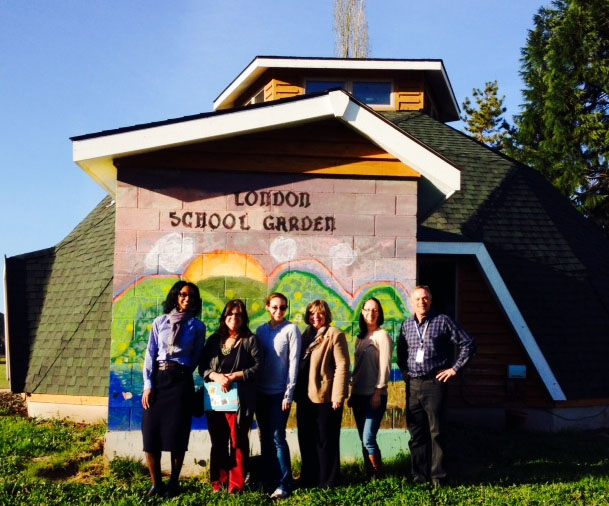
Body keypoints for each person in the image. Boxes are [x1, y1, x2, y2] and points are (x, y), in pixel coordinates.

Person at [396, 285, 476, 487]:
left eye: (425, 298)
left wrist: (454, 369)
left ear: (430, 301)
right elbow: (401, 351)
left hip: (435, 384)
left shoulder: (442, 321)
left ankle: (438, 477)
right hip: (413, 385)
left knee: (437, 432)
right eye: (417, 299)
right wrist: (405, 371)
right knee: (416, 434)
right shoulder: (406, 325)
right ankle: (418, 476)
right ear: (411, 302)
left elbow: (468, 343)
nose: (421, 302)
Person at [141, 280, 206, 498]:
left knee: (177, 435)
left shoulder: (197, 326)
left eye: (191, 296)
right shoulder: (160, 322)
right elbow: (150, 354)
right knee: (151, 433)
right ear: (176, 296)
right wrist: (148, 385)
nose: (187, 299)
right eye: (183, 295)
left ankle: (174, 483)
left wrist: (183, 371)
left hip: (180, 381)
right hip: (159, 380)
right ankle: (156, 484)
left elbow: (196, 356)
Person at [199, 299, 262, 494]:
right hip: (216, 400)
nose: (234, 317)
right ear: (224, 317)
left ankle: (236, 485)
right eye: (230, 314)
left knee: (238, 441)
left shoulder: (250, 340)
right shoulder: (213, 340)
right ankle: (218, 481)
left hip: (239, 400)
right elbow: (203, 366)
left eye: (239, 314)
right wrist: (216, 376)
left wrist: (235, 376)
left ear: (243, 318)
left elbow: (258, 367)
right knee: (218, 441)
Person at [294, 299, 350, 489]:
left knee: (326, 440)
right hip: (304, 396)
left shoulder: (334, 334)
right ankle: (309, 477)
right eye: (311, 313)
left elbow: (342, 366)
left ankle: (328, 481)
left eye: (320, 313)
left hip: (325, 397)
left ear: (326, 315)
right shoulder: (305, 335)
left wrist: (338, 396)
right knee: (307, 438)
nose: (315, 316)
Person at [255, 293, 301, 499]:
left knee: (277, 437)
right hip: (261, 393)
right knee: (265, 438)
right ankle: (269, 479)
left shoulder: (291, 329)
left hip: (279, 394)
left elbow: (294, 363)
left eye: (283, 307)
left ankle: (284, 483)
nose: (279, 311)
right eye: (274, 307)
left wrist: (288, 394)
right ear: (267, 307)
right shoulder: (260, 331)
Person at [348, 297, 392, 479]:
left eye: (375, 310)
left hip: (374, 395)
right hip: (358, 394)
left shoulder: (383, 336)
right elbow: (357, 369)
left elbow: (385, 366)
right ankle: (369, 475)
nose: (371, 313)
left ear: (379, 313)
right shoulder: (360, 338)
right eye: (367, 310)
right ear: (362, 312)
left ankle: (378, 476)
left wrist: (379, 391)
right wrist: (351, 393)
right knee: (362, 439)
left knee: (368, 438)